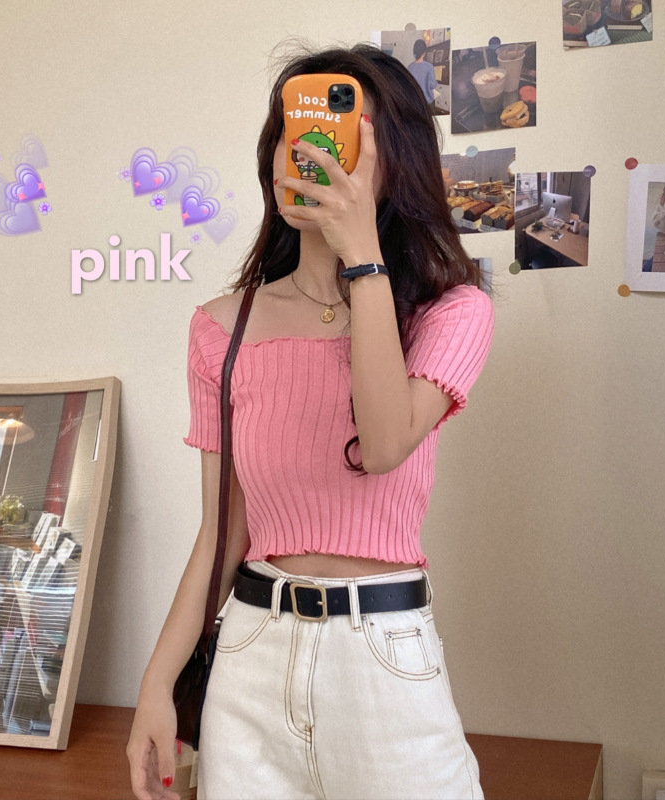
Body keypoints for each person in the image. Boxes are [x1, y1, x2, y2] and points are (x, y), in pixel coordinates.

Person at [126, 42, 495, 800]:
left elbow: (385, 444)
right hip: (251, 655)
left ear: (393, 160)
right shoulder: (220, 329)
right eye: (291, 132)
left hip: (385, 659)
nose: (307, 153)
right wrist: (156, 685)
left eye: (340, 135)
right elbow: (222, 532)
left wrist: (361, 256)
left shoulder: (452, 313)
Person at [407, 38, 439, 114]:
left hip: (414, 102)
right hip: (427, 102)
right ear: (424, 52)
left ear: (414, 51)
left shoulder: (409, 67)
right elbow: (433, 85)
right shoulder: (429, 66)